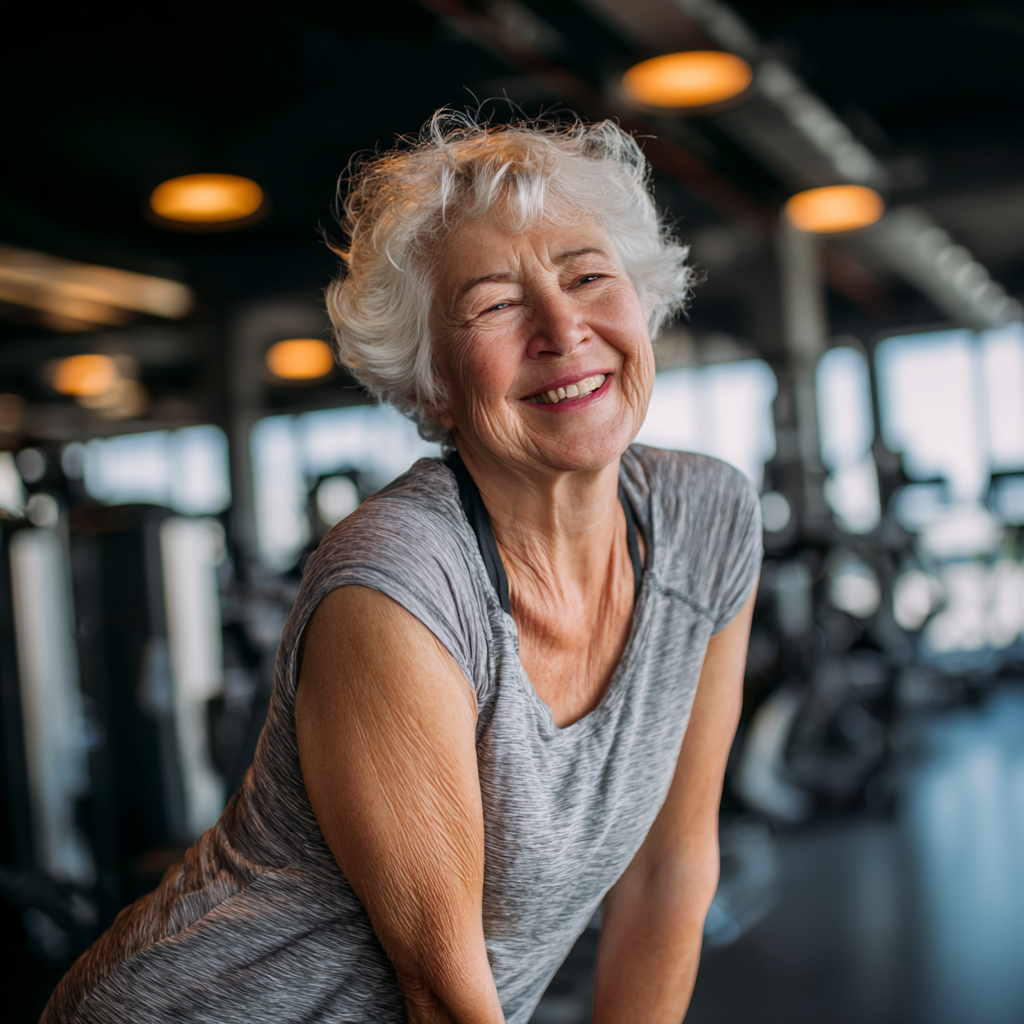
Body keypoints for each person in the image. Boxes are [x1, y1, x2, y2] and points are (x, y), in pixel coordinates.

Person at [43, 111, 761, 1024]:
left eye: (588, 277)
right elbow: (441, 994)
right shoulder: (400, 584)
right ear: (432, 383)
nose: (561, 327)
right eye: (496, 304)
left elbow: (669, 872)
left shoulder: (710, 524)